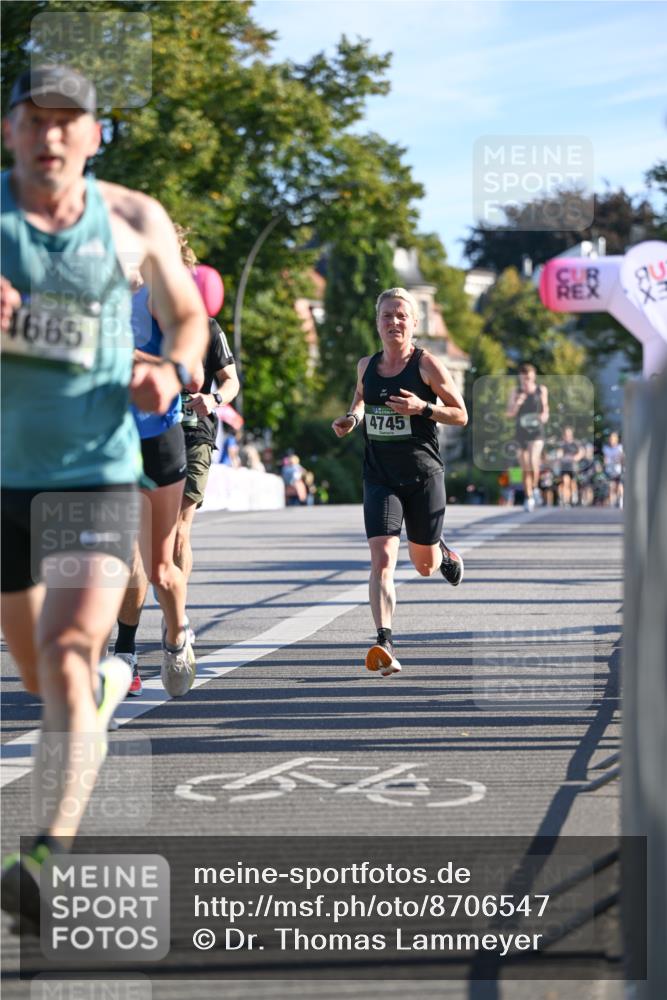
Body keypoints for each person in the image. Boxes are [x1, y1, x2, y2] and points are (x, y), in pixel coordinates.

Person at [0, 65, 207, 930]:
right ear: (9, 129)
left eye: (67, 122)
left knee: (72, 649)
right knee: (48, 681)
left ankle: (43, 856)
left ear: (93, 134)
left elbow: (188, 315)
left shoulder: (132, 218)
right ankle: (105, 691)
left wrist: (170, 366)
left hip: (96, 470)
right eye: (34, 120)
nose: (51, 136)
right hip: (6, 476)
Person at [332, 287, 466, 677]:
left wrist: (422, 407)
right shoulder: (366, 366)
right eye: (387, 316)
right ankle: (384, 640)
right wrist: (351, 419)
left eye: (401, 316)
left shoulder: (427, 365)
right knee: (382, 559)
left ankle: (441, 549)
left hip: (423, 475)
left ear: (414, 323)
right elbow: (360, 398)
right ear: (377, 323)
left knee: (423, 564)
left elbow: (461, 414)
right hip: (380, 477)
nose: (394, 322)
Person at [174, 308, 239, 591]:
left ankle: (174, 614)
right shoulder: (136, 321)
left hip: (194, 435)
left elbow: (231, 380)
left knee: (178, 530)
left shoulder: (207, 327)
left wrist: (214, 399)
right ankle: (129, 632)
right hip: (146, 434)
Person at [506, 363, 549, 512]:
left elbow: (545, 408)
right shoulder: (516, 391)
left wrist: (543, 416)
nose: (526, 382)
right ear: (520, 378)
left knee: (533, 461)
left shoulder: (541, 390)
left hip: (537, 431)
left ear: (534, 377)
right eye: (524, 379)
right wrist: (518, 403)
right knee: (525, 467)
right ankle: (529, 497)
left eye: (529, 379)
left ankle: (536, 487)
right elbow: (509, 414)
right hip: (521, 432)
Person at [556, 426, 584, 507]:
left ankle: (574, 496)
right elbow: (559, 453)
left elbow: (581, 452)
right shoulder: (562, 444)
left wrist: (576, 457)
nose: (567, 435)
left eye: (568, 433)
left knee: (573, 483)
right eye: (565, 434)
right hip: (564, 466)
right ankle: (566, 500)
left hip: (573, 466)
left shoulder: (576, 443)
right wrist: (559, 457)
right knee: (565, 482)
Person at [602, 431, 624, 508]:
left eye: (614, 438)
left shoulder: (620, 447)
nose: (612, 440)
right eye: (611, 438)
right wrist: (605, 464)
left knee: (619, 486)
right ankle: (612, 502)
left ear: (617, 439)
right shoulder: (606, 448)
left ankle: (620, 500)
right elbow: (605, 459)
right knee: (611, 486)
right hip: (610, 470)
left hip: (619, 470)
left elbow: (622, 458)